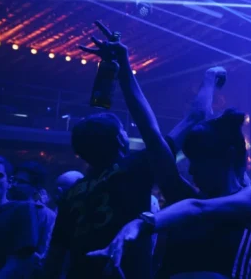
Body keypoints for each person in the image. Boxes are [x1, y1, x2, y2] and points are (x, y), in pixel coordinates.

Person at [89, 109, 251, 279]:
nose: (191, 170)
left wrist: (141, 224)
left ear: (228, 156)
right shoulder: (189, 200)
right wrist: (125, 74)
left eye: (198, 161)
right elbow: (153, 139)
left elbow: (197, 209)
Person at [45, 22, 179, 279]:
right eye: (124, 132)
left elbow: (54, 257)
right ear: (120, 140)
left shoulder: (72, 193)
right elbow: (162, 127)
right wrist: (124, 68)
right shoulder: (135, 168)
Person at [10, 161, 57, 258]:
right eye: (14, 180)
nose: (14, 184)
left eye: (21, 182)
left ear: (36, 187)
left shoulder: (46, 216)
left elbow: (44, 250)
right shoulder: (3, 207)